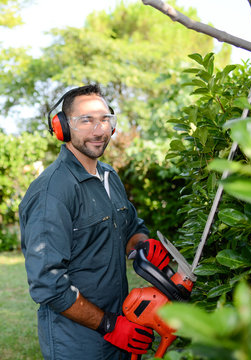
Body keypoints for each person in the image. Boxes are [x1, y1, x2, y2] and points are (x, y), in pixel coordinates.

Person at [19, 84, 167, 360]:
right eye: (86, 120)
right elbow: (48, 284)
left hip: (120, 329)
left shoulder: (109, 176)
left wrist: (143, 246)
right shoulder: (52, 192)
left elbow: (131, 227)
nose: (99, 131)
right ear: (62, 127)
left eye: (105, 120)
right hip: (77, 342)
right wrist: (110, 325)